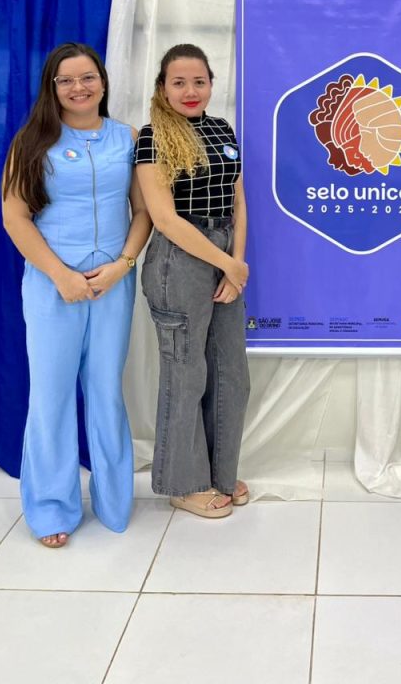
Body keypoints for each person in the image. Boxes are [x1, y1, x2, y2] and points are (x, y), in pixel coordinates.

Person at [2, 42, 151, 548]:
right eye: (65, 80)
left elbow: (143, 212)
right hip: (52, 290)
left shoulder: (127, 138)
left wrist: (122, 266)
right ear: (52, 87)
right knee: (52, 395)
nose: (78, 87)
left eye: (87, 77)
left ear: (103, 82)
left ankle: (113, 501)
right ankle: (51, 508)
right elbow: (15, 217)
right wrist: (60, 276)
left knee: (106, 390)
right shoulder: (31, 141)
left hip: (112, 286)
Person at [134, 43, 250, 518]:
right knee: (186, 376)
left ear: (211, 84)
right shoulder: (152, 137)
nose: (190, 90)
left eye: (199, 81)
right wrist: (226, 263)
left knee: (231, 375)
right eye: (178, 82)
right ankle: (183, 484)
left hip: (224, 254)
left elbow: (238, 201)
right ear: (162, 87)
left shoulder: (222, 129)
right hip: (178, 262)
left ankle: (219, 474)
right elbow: (164, 218)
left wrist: (236, 263)